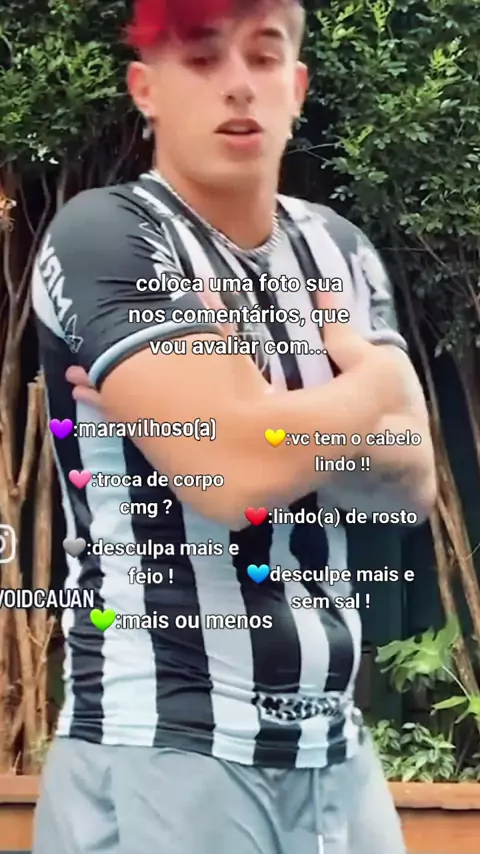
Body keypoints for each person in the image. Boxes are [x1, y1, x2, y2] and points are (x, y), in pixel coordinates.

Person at [31, 0, 436, 852]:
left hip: (336, 748)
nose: (239, 85)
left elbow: (408, 485)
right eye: (203, 59)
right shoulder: (109, 234)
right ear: (146, 88)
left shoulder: (339, 248)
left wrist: (261, 420)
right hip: (166, 742)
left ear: (298, 87)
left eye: (263, 56)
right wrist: (376, 388)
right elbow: (229, 478)